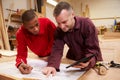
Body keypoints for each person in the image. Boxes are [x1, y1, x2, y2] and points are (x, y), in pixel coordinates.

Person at [42, 2, 103, 76]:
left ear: (72, 15)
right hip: (74, 57)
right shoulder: (59, 30)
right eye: (58, 23)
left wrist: (89, 62)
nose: (62, 27)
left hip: (92, 58)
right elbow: (57, 49)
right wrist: (52, 65)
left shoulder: (87, 24)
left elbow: (93, 48)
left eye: (64, 22)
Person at [15, 10, 56, 74]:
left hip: (54, 54)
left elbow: (58, 41)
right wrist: (20, 63)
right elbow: (21, 53)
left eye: (37, 24)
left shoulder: (47, 23)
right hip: (40, 57)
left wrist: (53, 56)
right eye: (31, 27)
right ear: (25, 27)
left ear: (38, 19)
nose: (36, 29)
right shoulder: (20, 33)